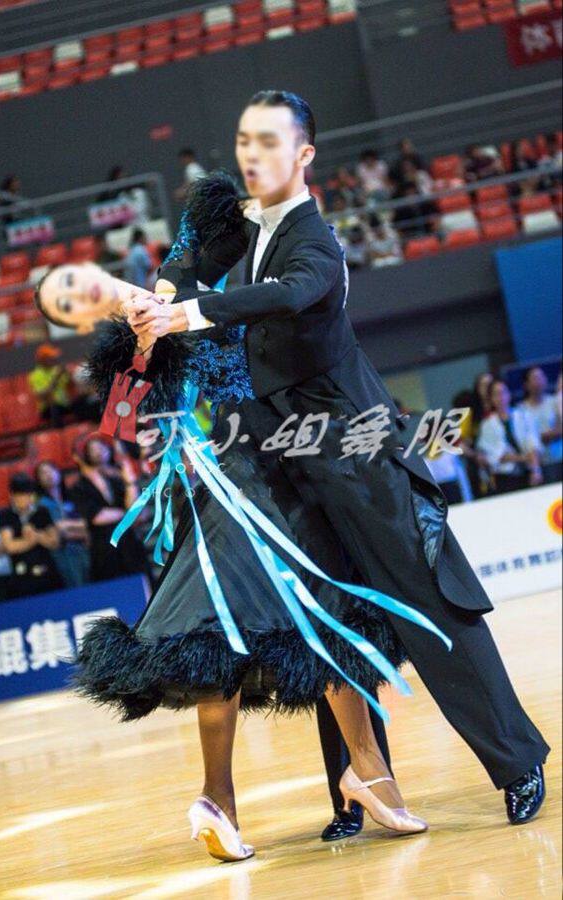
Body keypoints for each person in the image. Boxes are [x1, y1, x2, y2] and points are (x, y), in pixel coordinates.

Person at [122, 91, 549, 839]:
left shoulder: (314, 240)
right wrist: (160, 298)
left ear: (304, 154)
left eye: (269, 141)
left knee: (433, 603)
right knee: (324, 618)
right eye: (244, 140)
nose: (252, 154)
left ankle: (517, 762)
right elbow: (184, 263)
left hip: (356, 451)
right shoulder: (238, 227)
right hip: (277, 456)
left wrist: (192, 312)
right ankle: (354, 791)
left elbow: (292, 294)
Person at [69, 168, 434, 861]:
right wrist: (142, 337)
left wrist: (158, 320)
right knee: (301, 615)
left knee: (283, 623)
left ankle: (246, 794)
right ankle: (341, 777)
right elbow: (123, 413)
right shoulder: (179, 302)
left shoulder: (218, 286)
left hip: (268, 472)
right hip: (256, 479)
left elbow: (129, 408)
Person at [70, 436, 152, 585]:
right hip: (104, 550)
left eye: (101, 447)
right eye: (93, 449)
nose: (99, 452)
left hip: (131, 545)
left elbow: (137, 509)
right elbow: (97, 517)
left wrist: (130, 483)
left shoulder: (120, 478)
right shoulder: (79, 486)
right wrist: (128, 515)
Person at [0, 473, 63, 599]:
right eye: (20, 496)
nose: (24, 499)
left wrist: (36, 535)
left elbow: (55, 542)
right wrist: (35, 539)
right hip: (22, 576)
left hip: (48, 572)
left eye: (28, 495)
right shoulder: (5, 515)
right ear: (12, 496)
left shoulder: (42, 511)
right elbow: (10, 546)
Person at [476, 379, 544, 494]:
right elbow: (497, 455)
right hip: (505, 477)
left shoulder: (523, 415)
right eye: (496, 394)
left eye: (503, 392)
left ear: (509, 394)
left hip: (528, 471)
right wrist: (524, 458)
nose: (501, 397)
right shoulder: (487, 425)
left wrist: (535, 470)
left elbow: (533, 443)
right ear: (491, 399)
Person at [35, 461, 90, 588]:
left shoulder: (73, 496)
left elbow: (87, 522)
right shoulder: (41, 506)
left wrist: (65, 525)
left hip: (84, 549)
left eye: (51, 470)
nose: (49, 475)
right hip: (62, 555)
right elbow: (55, 533)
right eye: (43, 473)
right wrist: (80, 531)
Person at [518, 366, 563, 483]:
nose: (539, 381)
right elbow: (523, 438)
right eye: (535, 378)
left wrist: (543, 436)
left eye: (541, 377)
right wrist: (540, 438)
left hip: (559, 457)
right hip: (539, 464)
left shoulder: (555, 402)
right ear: (526, 384)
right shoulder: (520, 410)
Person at [28, 343, 72, 428]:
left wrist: (68, 373)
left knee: (81, 403)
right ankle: (59, 433)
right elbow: (42, 396)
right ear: (43, 359)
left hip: (64, 405)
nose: (54, 359)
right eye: (51, 357)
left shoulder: (56, 369)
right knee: (54, 409)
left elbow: (70, 385)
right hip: (48, 409)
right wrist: (56, 378)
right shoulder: (35, 375)